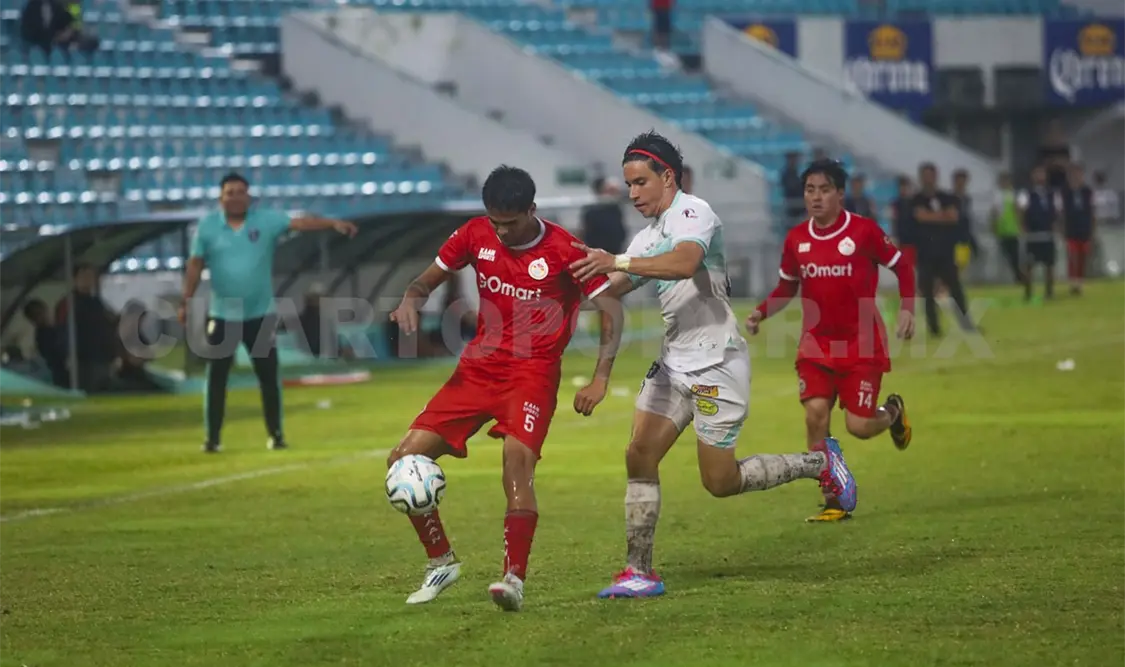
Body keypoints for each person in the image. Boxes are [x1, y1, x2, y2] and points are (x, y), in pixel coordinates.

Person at [565, 133, 857, 600]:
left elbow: (684, 263)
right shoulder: (647, 236)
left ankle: (819, 462)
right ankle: (638, 571)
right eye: (628, 185)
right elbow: (610, 292)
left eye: (640, 182)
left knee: (720, 482)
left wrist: (615, 260)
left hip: (717, 364)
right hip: (674, 364)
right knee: (639, 454)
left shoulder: (693, 212)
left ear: (667, 177)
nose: (633, 193)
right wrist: (563, 292)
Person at [385, 165, 624, 611]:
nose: (502, 232)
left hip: (532, 374)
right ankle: (441, 561)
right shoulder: (475, 234)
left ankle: (513, 578)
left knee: (516, 467)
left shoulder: (565, 249)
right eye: (495, 222)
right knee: (402, 460)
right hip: (477, 368)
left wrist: (600, 378)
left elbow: (611, 308)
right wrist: (410, 301)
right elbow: (424, 281)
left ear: (532, 210)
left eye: (510, 223)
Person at [747, 159, 916, 523]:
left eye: (824, 190)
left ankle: (892, 413)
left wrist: (907, 308)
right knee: (815, 415)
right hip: (816, 345)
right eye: (810, 190)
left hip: (861, 344)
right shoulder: (796, 239)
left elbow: (902, 265)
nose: (816, 197)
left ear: (840, 193)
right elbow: (787, 287)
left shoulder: (864, 231)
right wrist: (761, 312)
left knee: (859, 426)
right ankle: (832, 498)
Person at [180, 172, 357, 453]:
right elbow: (195, 264)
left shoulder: (265, 221)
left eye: (240, 192)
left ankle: (276, 434)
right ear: (221, 197)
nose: (236, 197)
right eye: (230, 192)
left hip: (260, 315)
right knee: (216, 378)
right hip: (223, 314)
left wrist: (331, 223)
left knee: (268, 377)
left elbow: (300, 222)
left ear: (249, 196)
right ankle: (212, 438)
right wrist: (186, 301)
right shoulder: (208, 227)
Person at [911, 163, 974, 336]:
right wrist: (942, 216)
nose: (928, 179)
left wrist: (930, 217)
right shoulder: (916, 199)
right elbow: (920, 216)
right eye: (925, 175)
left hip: (945, 251)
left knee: (956, 289)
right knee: (928, 292)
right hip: (925, 252)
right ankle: (934, 328)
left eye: (931, 175)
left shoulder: (947, 197)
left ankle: (966, 324)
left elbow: (953, 217)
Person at [1017, 166, 1059, 301]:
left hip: (1047, 234)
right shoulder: (1026, 194)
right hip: (1032, 235)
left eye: (1042, 173)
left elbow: (1057, 212)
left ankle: (1049, 292)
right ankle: (1028, 292)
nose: (1040, 176)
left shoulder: (1052, 194)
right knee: (1029, 265)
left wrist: (1056, 227)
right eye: (1037, 174)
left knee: (1049, 265)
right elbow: (1020, 211)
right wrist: (1023, 227)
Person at [1060, 163, 1095, 296]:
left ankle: (1080, 282)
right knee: (1072, 256)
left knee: (1082, 257)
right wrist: (1062, 228)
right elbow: (1062, 212)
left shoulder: (1087, 191)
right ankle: (1072, 282)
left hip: (1084, 228)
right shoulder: (1065, 192)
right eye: (1074, 174)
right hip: (1071, 228)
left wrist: (1092, 229)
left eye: (1079, 174)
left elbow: (1092, 211)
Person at [990, 172, 1025, 284]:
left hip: (1011, 230)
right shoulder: (1000, 195)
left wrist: (1020, 225)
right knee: (1010, 256)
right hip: (1004, 230)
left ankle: (1018, 275)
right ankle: (1017, 275)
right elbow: (995, 213)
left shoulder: (1011, 194)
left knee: (1013, 256)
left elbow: (1017, 211)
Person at [890, 175, 917, 272]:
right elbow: (894, 221)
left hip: (914, 240)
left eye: (905, 186)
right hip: (902, 240)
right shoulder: (896, 203)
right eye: (901, 186)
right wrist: (894, 237)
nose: (903, 189)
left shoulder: (914, 202)